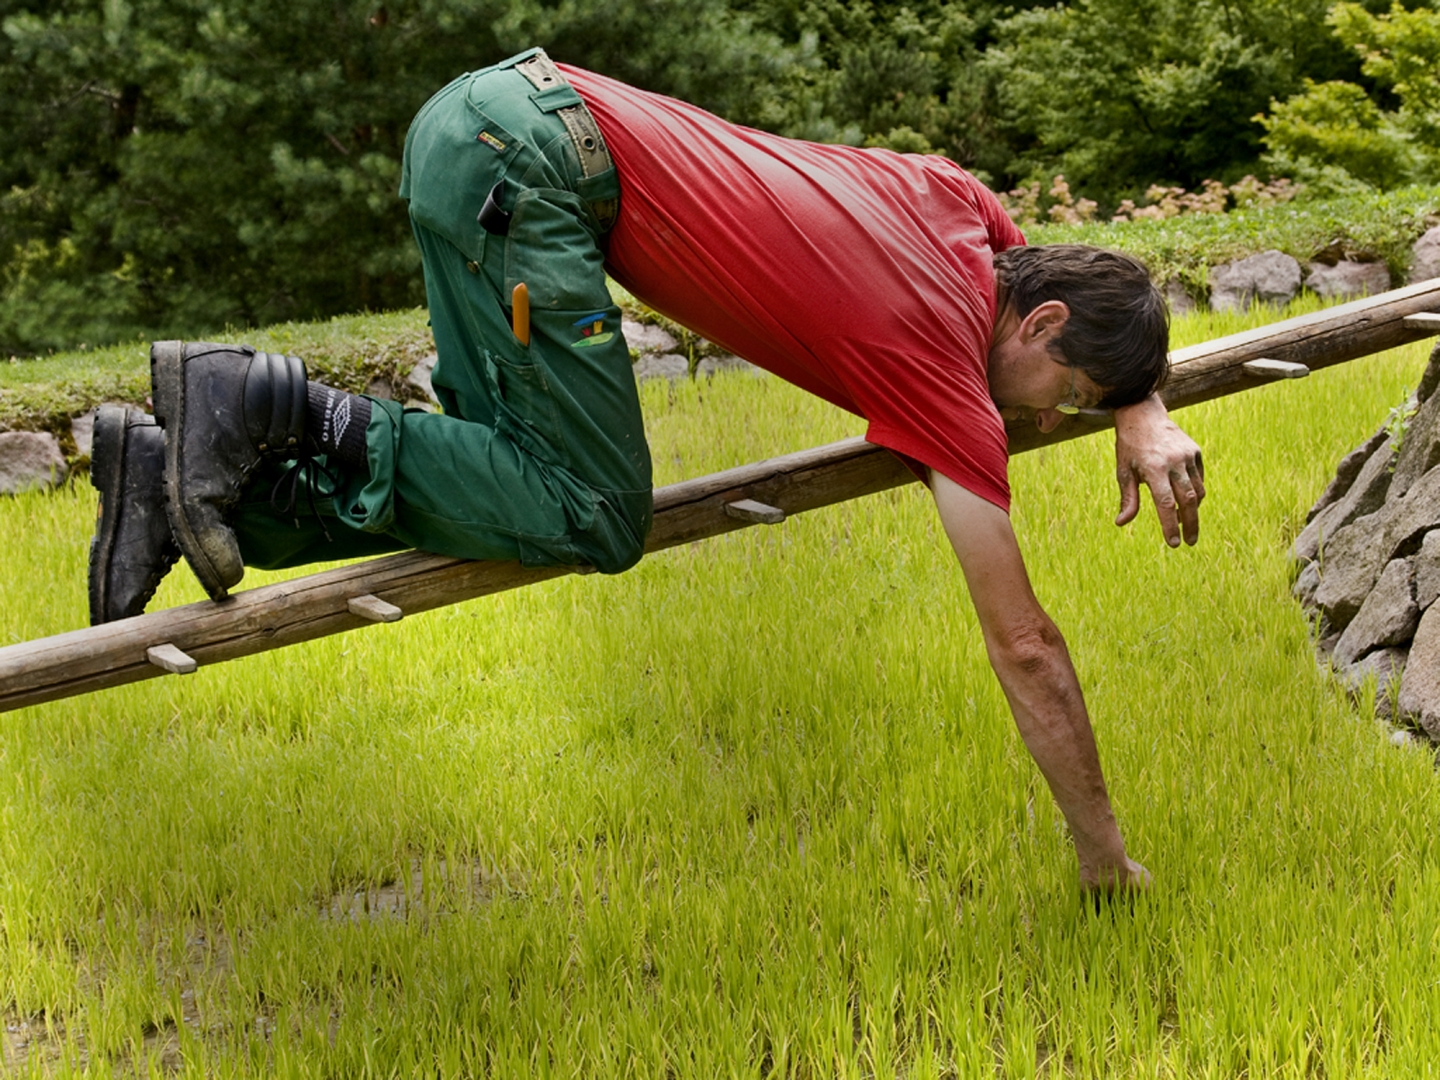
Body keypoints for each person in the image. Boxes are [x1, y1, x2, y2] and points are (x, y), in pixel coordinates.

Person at [88, 48, 1204, 893]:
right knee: (594, 507)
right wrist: (1104, 855)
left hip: (488, 120)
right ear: (1039, 321)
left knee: (512, 482)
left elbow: (1060, 273)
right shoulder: (940, 361)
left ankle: (193, 487)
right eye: (1064, 395)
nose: (1041, 418)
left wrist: (1140, 407)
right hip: (527, 168)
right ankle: (259, 396)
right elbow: (1025, 646)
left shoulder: (957, 205)